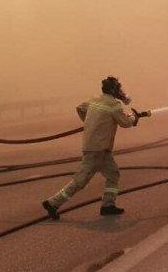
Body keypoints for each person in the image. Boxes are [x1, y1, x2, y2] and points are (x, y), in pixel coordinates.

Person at [42, 76, 150, 219]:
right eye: (118, 88)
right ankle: (53, 202)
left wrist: (90, 124)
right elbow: (125, 122)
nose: (120, 91)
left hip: (98, 148)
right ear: (113, 89)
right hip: (97, 149)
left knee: (113, 174)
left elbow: (80, 108)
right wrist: (135, 117)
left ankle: (108, 205)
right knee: (81, 180)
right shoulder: (114, 105)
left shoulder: (95, 99)